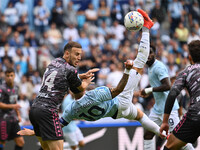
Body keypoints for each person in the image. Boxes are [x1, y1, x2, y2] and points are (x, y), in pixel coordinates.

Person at [18, 9, 166, 141]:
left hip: (117, 113)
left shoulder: (70, 109)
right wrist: (127, 70)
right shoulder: (95, 94)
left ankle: (163, 134)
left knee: (140, 116)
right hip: (120, 101)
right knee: (139, 63)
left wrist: (33, 132)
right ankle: (147, 27)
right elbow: (118, 90)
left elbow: (60, 124)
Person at [29, 41, 98, 150]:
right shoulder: (71, 70)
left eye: (80, 54)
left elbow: (60, 75)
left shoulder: (54, 62)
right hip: (48, 111)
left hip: (34, 109)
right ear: (66, 54)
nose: (79, 57)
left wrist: (79, 76)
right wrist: (86, 82)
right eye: (76, 54)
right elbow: (79, 91)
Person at [140, 45, 194, 150]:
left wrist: (149, 90)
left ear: (155, 54)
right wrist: (149, 91)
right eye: (146, 53)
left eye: (150, 53)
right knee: (148, 135)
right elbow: (160, 86)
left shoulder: (158, 67)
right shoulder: (151, 68)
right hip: (157, 109)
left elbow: (167, 86)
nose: (148, 56)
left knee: (178, 139)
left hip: (169, 110)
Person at [160, 40, 200, 150]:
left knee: (168, 147)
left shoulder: (185, 72)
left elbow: (172, 94)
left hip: (195, 115)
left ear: (190, 57)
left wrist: (164, 121)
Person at [0, 68, 24, 150]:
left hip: (14, 119)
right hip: (3, 119)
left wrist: (18, 115)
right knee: (2, 142)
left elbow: (15, 102)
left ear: (14, 76)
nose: (10, 77)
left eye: (11, 75)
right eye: (8, 76)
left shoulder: (16, 87)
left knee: (20, 142)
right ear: (5, 77)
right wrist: (12, 106)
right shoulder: (2, 88)